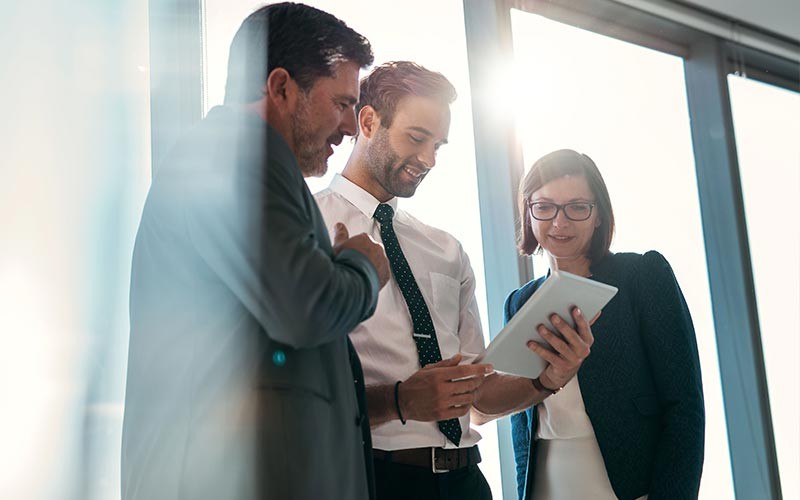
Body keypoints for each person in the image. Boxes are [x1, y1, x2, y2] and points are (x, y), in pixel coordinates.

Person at [122, 4, 390, 500]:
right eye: (341, 104)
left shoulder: (245, 161)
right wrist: (362, 268)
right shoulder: (233, 154)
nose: (352, 127)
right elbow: (306, 308)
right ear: (281, 86)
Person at [315, 62, 595, 500]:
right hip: (376, 479)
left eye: (438, 145)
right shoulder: (309, 228)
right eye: (416, 138)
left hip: (467, 482)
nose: (428, 159)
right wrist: (400, 400)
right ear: (367, 121)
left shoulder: (445, 248)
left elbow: (479, 398)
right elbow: (297, 394)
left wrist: (547, 380)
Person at [507, 149, 705, 500]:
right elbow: (522, 424)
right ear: (528, 211)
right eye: (545, 207)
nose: (559, 222)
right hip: (546, 484)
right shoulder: (519, 302)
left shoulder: (641, 276)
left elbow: (684, 407)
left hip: (627, 486)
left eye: (577, 207)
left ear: (598, 215)